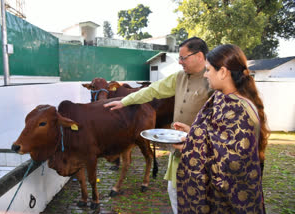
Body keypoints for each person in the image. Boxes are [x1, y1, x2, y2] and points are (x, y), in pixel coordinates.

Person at [104, 37, 213, 214]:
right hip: (178, 151)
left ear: (199, 56)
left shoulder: (213, 80)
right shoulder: (179, 77)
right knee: (174, 191)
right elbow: (153, 90)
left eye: (183, 58)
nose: (179, 62)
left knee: (199, 198)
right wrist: (124, 101)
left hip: (202, 155)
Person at [173, 44, 269, 213]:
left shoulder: (239, 110)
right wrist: (192, 133)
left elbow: (230, 162)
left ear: (223, 72)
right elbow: (217, 138)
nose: (205, 74)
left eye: (209, 70)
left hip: (231, 203)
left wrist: (189, 146)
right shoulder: (222, 98)